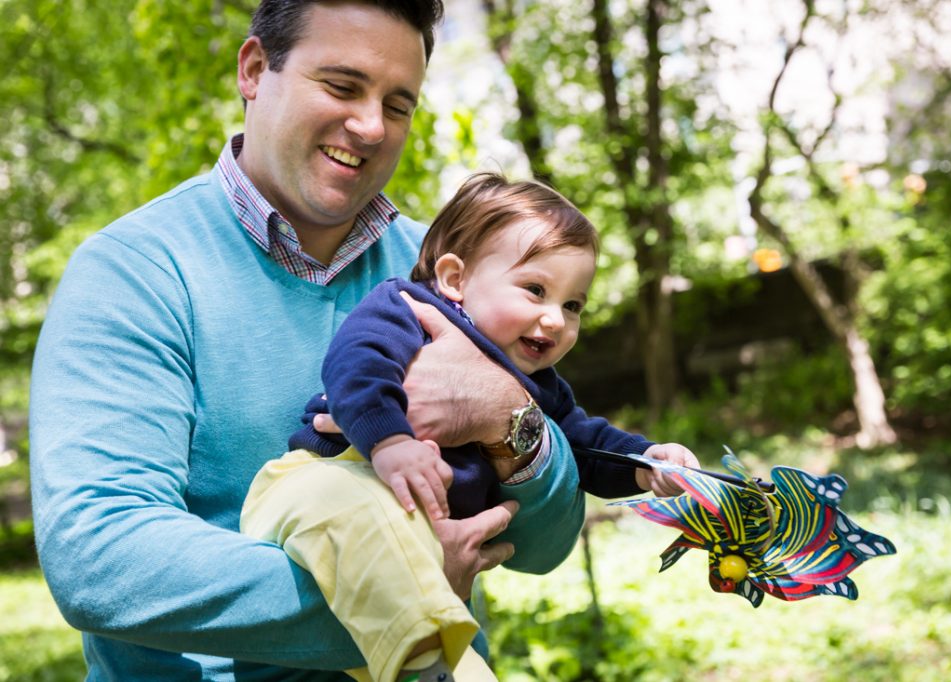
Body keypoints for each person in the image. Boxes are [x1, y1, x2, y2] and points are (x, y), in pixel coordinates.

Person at [28, 2, 588, 679]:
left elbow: (543, 545)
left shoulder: (448, 277)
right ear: (256, 70)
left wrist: (508, 415)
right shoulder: (135, 271)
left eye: (399, 104)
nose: (372, 125)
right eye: (342, 86)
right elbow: (99, 556)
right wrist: (400, 602)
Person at [240, 172, 699, 682]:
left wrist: (645, 462)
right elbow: (357, 366)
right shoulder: (409, 309)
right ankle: (427, 656)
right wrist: (390, 441)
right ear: (456, 278)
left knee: (432, 608)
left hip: (410, 521)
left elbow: (586, 443)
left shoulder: (536, 385)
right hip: (327, 479)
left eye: (572, 305)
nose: (554, 320)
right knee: (369, 528)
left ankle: (437, 663)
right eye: (535, 290)